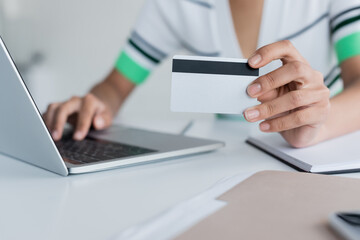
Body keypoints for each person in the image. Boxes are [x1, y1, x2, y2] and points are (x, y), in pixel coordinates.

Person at [43, 0, 360, 148]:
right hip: (227, 162)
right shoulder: (175, 6)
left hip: (323, 157)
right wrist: (93, 105)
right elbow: (115, 85)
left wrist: (316, 126)